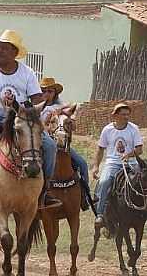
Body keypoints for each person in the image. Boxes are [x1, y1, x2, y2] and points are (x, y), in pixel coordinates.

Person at [0, 29, 59, 209]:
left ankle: (45, 191)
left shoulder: (27, 73)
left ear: (15, 53)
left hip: (20, 118)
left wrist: (24, 107)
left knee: (49, 145)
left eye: (4, 48)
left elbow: (37, 99)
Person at [93, 103, 147, 228]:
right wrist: (96, 166)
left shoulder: (133, 128)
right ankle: (100, 215)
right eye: (123, 114)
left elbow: (139, 149)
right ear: (115, 115)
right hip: (113, 163)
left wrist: (129, 155)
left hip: (132, 163)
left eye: (127, 114)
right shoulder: (107, 130)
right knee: (104, 182)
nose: (126, 117)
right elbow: (100, 149)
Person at [39, 77, 90, 210]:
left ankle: (84, 196)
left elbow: (74, 105)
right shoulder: (37, 107)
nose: (47, 94)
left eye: (50, 91)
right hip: (42, 144)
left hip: (62, 144)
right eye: (44, 91)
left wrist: (60, 110)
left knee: (82, 164)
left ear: (55, 93)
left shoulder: (59, 106)